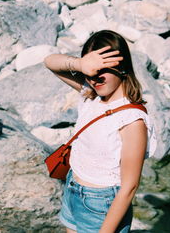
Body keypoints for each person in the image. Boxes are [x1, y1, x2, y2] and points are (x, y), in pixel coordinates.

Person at [44, 30, 157, 233]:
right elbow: (50, 61)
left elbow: (129, 187)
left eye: (100, 72)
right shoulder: (91, 94)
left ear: (121, 67)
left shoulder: (132, 120)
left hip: (101, 203)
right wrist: (80, 65)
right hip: (72, 187)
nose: (94, 79)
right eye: (90, 73)